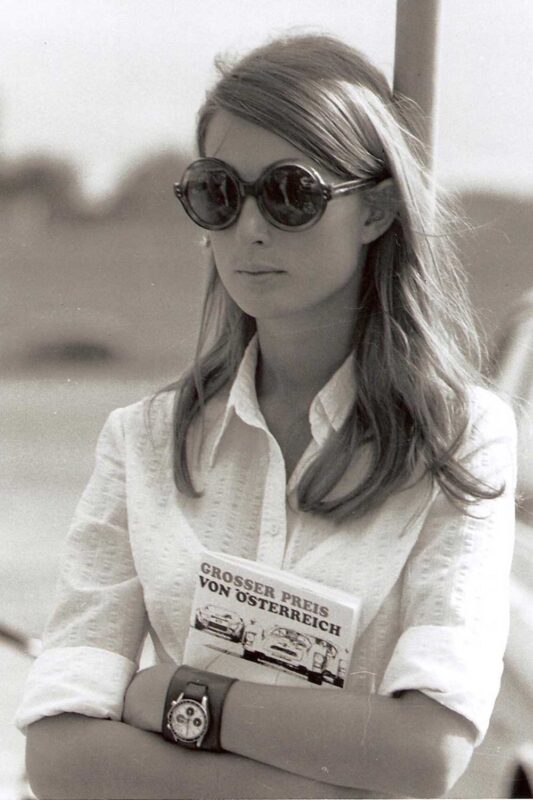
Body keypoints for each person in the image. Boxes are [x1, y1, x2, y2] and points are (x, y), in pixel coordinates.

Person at [16, 33, 516, 799]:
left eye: (290, 193)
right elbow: (58, 756)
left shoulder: (457, 436)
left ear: (377, 209)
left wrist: (180, 696)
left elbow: (425, 753)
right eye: (218, 192)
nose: (249, 227)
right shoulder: (143, 441)